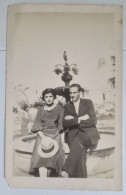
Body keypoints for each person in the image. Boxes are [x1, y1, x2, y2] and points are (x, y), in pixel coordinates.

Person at [62, 84, 99, 178]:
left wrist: (73, 120)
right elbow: (64, 124)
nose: (72, 95)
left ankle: (66, 169)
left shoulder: (88, 102)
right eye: (70, 93)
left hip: (88, 134)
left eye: (74, 92)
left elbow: (93, 120)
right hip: (73, 136)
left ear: (79, 92)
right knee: (81, 154)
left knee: (78, 140)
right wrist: (79, 119)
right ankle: (82, 182)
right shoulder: (67, 106)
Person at [29, 88, 65, 177]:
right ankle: (44, 181)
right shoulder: (40, 109)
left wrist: (63, 142)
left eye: (50, 96)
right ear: (44, 98)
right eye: (46, 97)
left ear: (54, 98)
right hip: (42, 135)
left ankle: (46, 180)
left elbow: (61, 126)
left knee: (51, 159)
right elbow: (37, 125)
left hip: (55, 135)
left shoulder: (60, 108)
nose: (48, 99)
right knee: (41, 158)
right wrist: (43, 137)